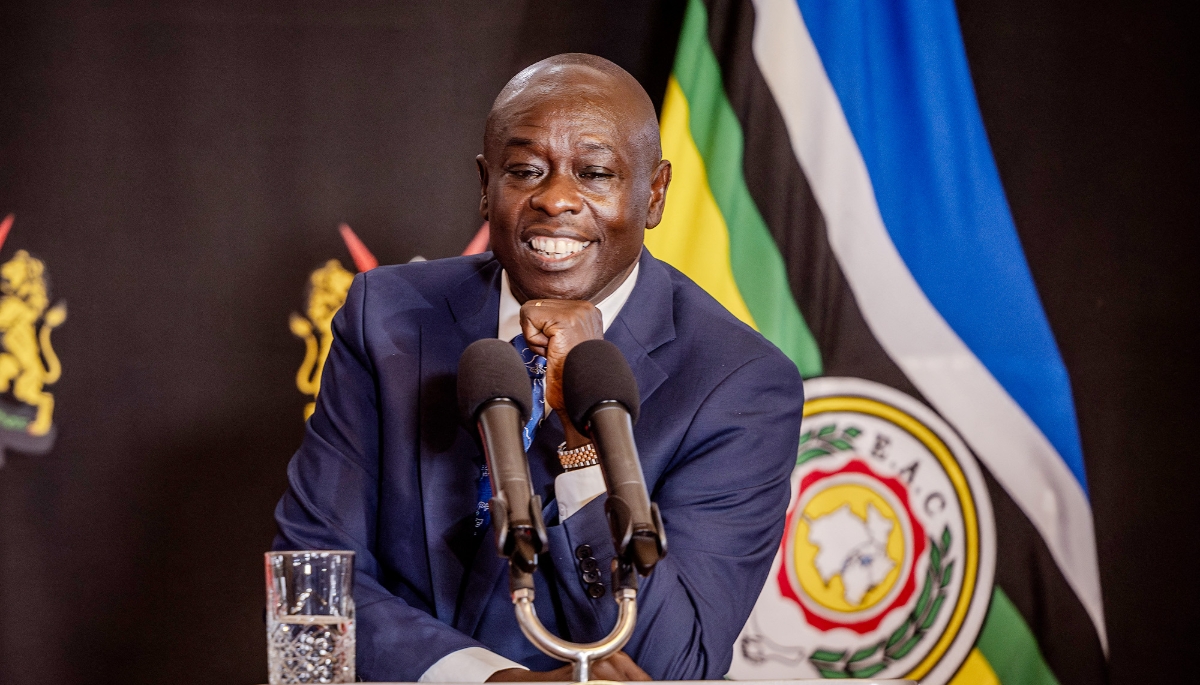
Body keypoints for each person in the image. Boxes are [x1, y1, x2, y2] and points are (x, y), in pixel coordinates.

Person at [273, 53, 804, 682]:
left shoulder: (736, 382)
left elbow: (676, 665)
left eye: (596, 173)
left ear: (654, 193)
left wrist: (584, 452)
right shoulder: (385, 317)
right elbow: (309, 600)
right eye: (525, 170)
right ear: (485, 184)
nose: (555, 198)